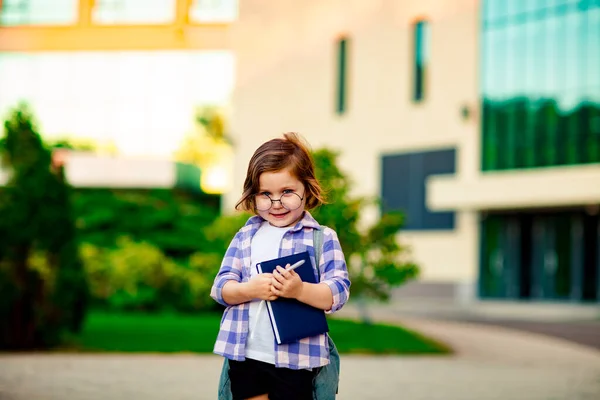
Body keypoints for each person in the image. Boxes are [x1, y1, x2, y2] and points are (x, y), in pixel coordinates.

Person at [210, 132, 351, 400]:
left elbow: (338, 292)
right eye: (266, 194)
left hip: (296, 360)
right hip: (246, 354)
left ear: (307, 190)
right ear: (254, 194)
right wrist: (249, 289)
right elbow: (220, 288)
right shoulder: (245, 237)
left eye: (287, 192)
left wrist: (299, 290)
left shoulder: (321, 237)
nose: (276, 203)